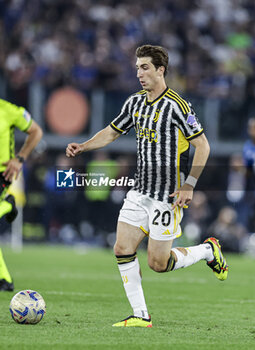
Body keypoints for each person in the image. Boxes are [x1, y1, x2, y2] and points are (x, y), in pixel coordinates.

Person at [66, 45, 228, 327]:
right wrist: (84, 146)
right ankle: (140, 315)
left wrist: (189, 184)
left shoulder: (178, 105)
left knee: (158, 263)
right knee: (121, 247)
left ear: (160, 70)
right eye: (137, 67)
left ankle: (207, 250)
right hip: (140, 191)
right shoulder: (134, 103)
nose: (139, 73)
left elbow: (203, 146)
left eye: (145, 67)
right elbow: (112, 131)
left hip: (167, 195)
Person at [0, 98, 43, 291]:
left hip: (2, 172)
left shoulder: (8, 110)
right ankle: (4, 280)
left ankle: (9, 204)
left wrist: (20, 158)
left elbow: (36, 131)